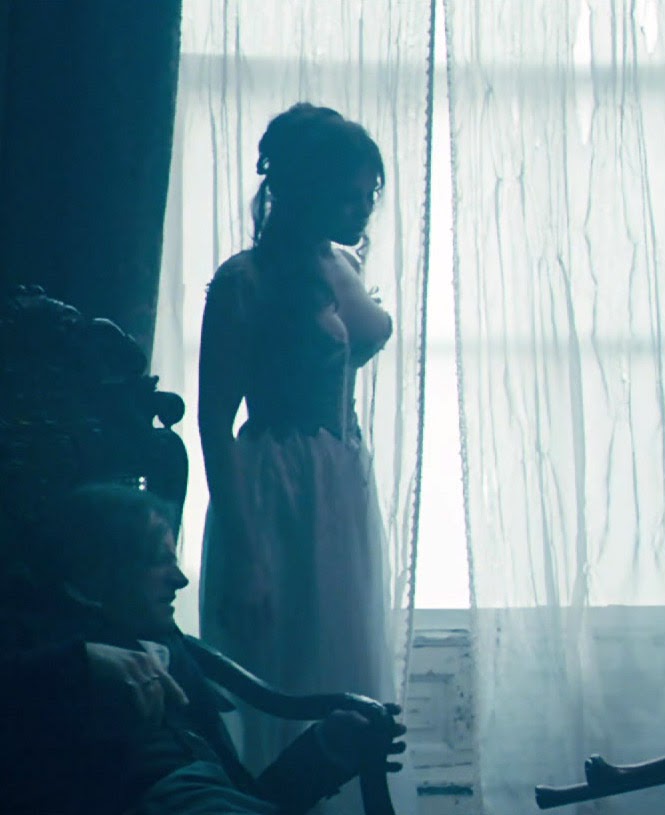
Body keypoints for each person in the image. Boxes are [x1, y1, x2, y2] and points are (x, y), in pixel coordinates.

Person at [0, 483, 405, 815]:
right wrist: (84, 662)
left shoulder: (175, 652)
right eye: (158, 561)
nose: (179, 579)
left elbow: (247, 797)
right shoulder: (37, 643)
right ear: (95, 570)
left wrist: (326, 749)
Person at [198, 102, 395, 774]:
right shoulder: (244, 281)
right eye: (347, 195)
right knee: (289, 662)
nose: (362, 209)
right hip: (278, 487)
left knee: (343, 656)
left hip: (341, 481)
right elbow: (214, 421)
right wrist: (246, 552)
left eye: (368, 194)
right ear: (308, 189)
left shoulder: (341, 262)